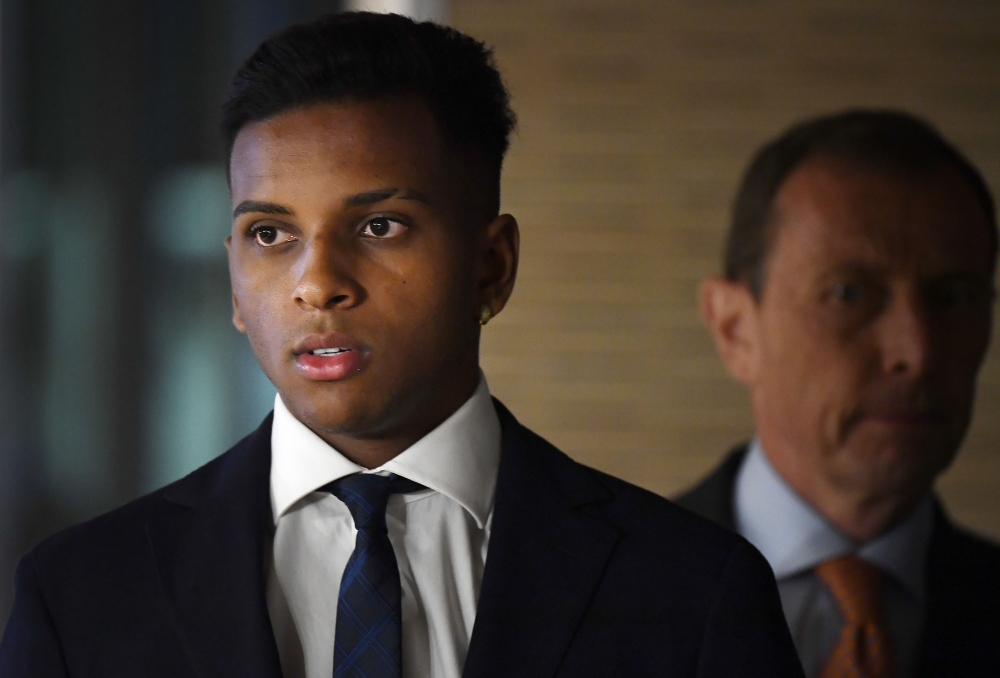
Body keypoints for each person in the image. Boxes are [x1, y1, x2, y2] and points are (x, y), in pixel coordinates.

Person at [0, 12, 803, 678]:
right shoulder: (81, 597)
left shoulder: (691, 592)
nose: (318, 285)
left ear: (492, 267)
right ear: (235, 285)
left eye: (379, 227)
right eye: (271, 233)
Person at [678, 109, 1000, 678]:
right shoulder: (592, 600)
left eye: (953, 298)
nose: (917, 352)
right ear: (735, 330)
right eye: (849, 294)